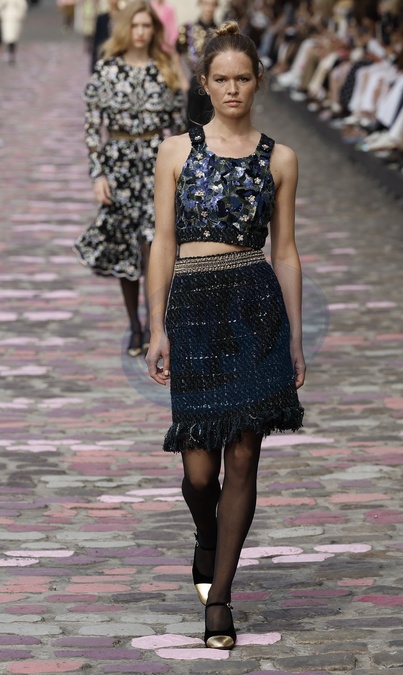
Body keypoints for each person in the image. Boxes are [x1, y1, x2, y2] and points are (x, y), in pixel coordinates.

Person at [146, 21, 305, 649]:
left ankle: (221, 599)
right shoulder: (175, 152)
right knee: (199, 472)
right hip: (192, 308)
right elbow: (162, 242)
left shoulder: (281, 158)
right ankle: (207, 535)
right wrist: (156, 326)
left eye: (242, 78)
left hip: (254, 308)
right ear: (205, 83)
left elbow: (285, 251)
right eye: (221, 79)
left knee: (242, 455)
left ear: (257, 81)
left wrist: (294, 337)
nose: (233, 89)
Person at [74, 0, 186, 357]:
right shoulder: (107, 69)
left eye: (146, 26)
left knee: (156, 243)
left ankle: (156, 324)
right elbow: (92, 128)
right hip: (119, 163)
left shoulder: (164, 68)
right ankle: (135, 325)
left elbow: (179, 127)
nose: (140, 32)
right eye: (135, 26)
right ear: (126, 29)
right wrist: (97, 175)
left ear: (154, 30)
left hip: (156, 163)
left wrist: (183, 172)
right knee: (126, 247)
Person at [176, 0, 219, 126]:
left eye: (212, 4)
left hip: (215, 81)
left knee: (211, 120)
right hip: (195, 80)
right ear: (200, 4)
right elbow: (177, 54)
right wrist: (182, 79)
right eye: (206, 4)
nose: (209, 8)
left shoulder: (220, 32)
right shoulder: (188, 29)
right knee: (192, 121)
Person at [0, 0, 27, 64]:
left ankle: (11, 54)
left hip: (13, 18)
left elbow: (22, 6)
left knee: (12, 38)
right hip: (8, 18)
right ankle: (10, 53)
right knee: (9, 37)